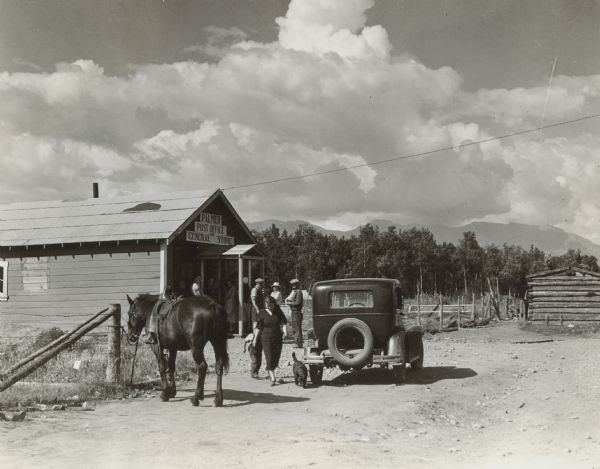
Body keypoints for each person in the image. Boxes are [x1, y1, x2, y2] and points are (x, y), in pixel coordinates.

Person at [252, 295, 287, 386]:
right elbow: (258, 328)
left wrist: (285, 331)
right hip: (266, 338)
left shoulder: (278, 312)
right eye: (267, 304)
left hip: (277, 337)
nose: (268, 306)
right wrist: (255, 339)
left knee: (276, 357)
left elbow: (283, 322)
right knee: (269, 356)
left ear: (274, 304)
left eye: (270, 304)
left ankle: (270, 370)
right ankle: (272, 377)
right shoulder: (262, 313)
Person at [285, 278, 304, 348]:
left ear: (297, 284)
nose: (293, 285)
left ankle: (298, 343)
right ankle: (297, 342)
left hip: (296, 311)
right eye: (292, 284)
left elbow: (297, 302)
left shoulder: (298, 292)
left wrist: (289, 303)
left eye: (295, 284)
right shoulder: (295, 292)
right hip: (294, 311)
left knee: (296, 327)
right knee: (295, 327)